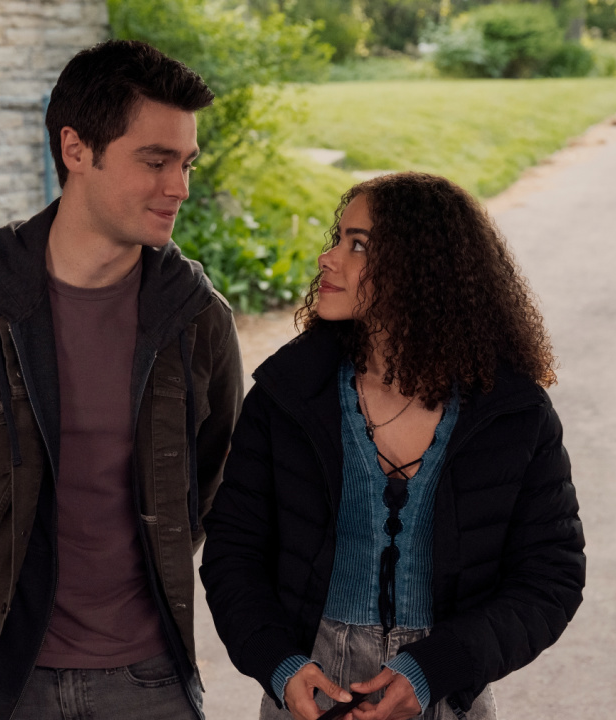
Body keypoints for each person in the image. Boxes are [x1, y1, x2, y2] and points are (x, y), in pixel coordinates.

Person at [0, 40, 243, 720]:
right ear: (76, 149)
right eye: (155, 161)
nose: (180, 187)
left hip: (148, 679)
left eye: (186, 163)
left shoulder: (197, 317)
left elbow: (209, 480)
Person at [200, 172, 585, 720]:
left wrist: (436, 668)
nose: (328, 258)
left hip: (446, 690)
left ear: (422, 268)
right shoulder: (286, 397)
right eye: (339, 239)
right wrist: (279, 665)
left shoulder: (513, 414)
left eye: (358, 245)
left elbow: (551, 577)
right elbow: (233, 552)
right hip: (308, 692)